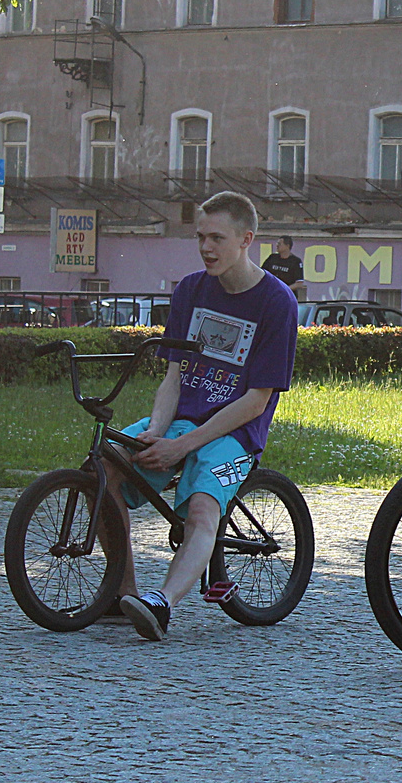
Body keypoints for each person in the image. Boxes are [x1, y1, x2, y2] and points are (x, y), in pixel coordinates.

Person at [111, 192, 298, 642]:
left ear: (246, 239)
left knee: (201, 507)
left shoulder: (277, 303)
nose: (205, 247)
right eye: (200, 237)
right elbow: (173, 377)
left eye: (217, 237)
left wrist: (183, 446)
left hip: (234, 433)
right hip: (180, 422)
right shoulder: (191, 290)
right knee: (107, 467)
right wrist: (156, 432)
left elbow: (256, 401)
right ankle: (124, 591)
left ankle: (162, 605)